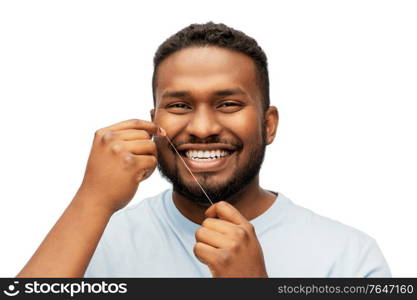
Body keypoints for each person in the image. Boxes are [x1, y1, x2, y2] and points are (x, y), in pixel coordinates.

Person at [17, 22, 391, 278]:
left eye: (228, 104)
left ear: (268, 124)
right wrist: (92, 199)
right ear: (153, 122)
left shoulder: (349, 257)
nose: (202, 128)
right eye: (179, 106)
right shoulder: (96, 238)